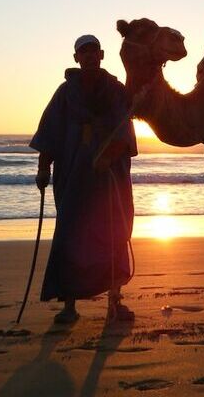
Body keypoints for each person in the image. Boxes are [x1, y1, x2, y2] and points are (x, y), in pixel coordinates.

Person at [29, 34, 137, 324]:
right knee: (70, 235)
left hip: (109, 177)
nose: (89, 56)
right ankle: (69, 305)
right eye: (83, 52)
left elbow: (125, 131)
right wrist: (43, 169)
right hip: (73, 176)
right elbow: (49, 133)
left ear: (102, 55)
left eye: (93, 51)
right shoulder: (65, 93)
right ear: (76, 57)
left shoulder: (115, 90)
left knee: (114, 233)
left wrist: (109, 157)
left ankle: (115, 302)